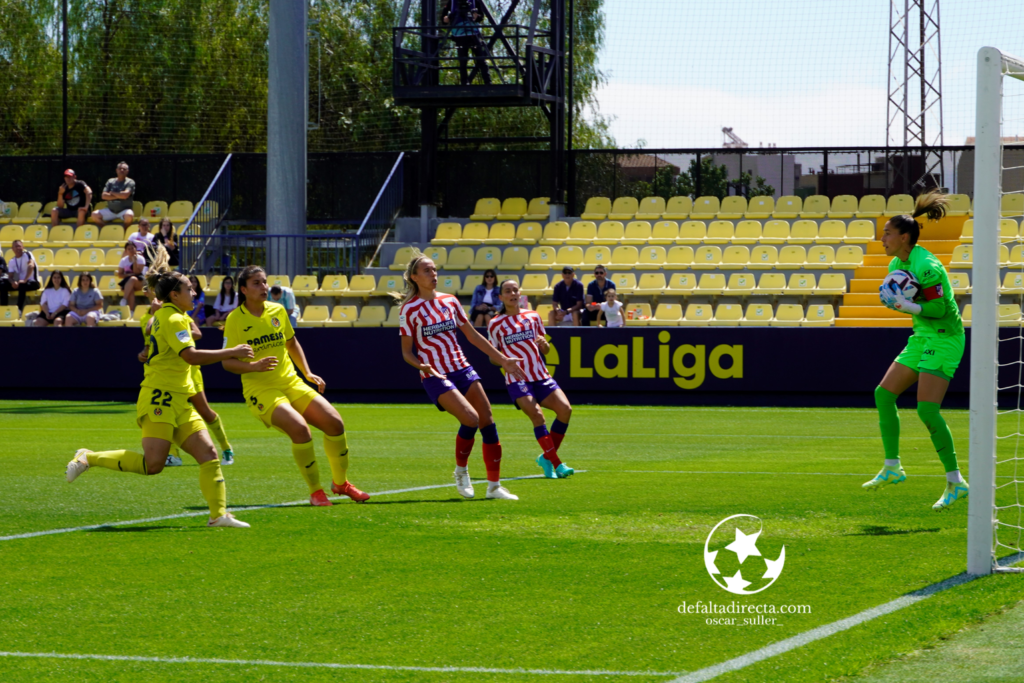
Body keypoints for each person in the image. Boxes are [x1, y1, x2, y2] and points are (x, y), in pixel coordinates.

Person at [65, 268, 253, 529]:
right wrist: (231, 351)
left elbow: (176, 342)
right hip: (159, 397)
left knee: (209, 453)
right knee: (152, 465)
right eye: (189, 289)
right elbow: (190, 356)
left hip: (179, 397)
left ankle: (218, 515)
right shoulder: (173, 319)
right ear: (175, 295)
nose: (195, 292)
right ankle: (88, 457)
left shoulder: (171, 315)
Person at [223, 265, 369, 506]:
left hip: (291, 382)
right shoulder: (235, 319)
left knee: (334, 423)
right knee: (301, 430)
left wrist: (308, 373)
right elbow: (227, 362)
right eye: (257, 283)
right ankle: (315, 492)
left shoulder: (277, 311)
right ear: (244, 289)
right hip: (261, 390)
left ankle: (341, 484)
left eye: (264, 282)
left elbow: (291, 343)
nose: (264, 287)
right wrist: (252, 366)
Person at [863, 191, 969, 511]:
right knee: (883, 394)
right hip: (921, 336)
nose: (882, 239)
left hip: (944, 337)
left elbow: (938, 308)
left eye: (887, 233)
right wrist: (898, 304)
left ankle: (956, 482)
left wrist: (907, 304)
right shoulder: (899, 262)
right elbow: (910, 305)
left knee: (926, 410)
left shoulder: (927, 266)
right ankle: (893, 467)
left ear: (904, 236)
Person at [397, 252, 525, 500]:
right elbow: (406, 353)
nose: (433, 274)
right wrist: (422, 367)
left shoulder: (450, 301)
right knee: (470, 419)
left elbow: (473, 336)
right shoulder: (409, 309)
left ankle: (494, 487)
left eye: (434, 269)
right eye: (427, 271)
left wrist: (503, 359)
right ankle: (461, 471)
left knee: (487, 420)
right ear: (414, 277)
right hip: (435, 374)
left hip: (462, 368)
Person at [139, 248, 237, 468]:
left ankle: (226, 447)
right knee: (169, 413)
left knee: (205, 411)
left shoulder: (177, 314)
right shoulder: (154, 315)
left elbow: (197, 333)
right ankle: (173, 454)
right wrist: (144, 352)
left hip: (188, 369)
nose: (148, 294)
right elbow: (150, 336)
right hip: (166, 374)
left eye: (150, 290)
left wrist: (176, 338)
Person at [488, 279, 574, 479]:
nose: (512, 293)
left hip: (541, 376)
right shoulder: (495, 323)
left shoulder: (533, 316)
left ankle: (546, 457)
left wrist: (544, 345)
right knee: (537, 416)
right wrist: (504, 361)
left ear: (520, 294)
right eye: (507, 291)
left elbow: (545, 349)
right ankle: (557, 463)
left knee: (565, 410)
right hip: (518, 379)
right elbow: (492, 357)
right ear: (501, 297)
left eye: (515, 290)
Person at [441, 0, 492, 86]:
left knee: (481, 59)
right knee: (463, 61)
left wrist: (476, 16)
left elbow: (481, 16)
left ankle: (488, 82)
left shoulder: (475, 1)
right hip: (460, 36)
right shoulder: (452, 2)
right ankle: (464, 83)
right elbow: (443, 18)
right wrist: (446, 18)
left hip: (473, 34)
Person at [0, 240, 40, 309]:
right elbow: (10, 276)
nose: (18, 248)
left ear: (23, 247)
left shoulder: (27, 254)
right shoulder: (12, 261)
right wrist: (13, 282)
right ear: (12, 249)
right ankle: (4, 308)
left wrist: (25, 280)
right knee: (3, 284)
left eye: (19, 246)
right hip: (21, 282)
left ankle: (19, 309)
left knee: (22, 284)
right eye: (16, 246)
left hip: (32, 282)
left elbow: (31, 266)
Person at [117, 241, 146, 310]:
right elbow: (120, 274)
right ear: (126, 251)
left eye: (132, 248)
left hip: (139, 282)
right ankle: (131, 311)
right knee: (131, 289)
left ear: (135, 249)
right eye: (129, 249)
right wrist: (129, 274)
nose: (131, 250)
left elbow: (137, 272)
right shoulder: (123, 260)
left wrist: (134, 261)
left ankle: (124, 299)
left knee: (133, 279)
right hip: (129, 283)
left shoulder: (141, 259)